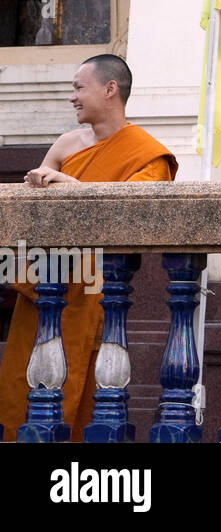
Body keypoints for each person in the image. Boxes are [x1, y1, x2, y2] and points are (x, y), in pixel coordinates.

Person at [0, 55, 176, 440]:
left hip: (97, 293)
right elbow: (31, 216)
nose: (72, 97)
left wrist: (68, 184)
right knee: (22, 388)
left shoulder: (145, 152)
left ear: (109, 89)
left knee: (87, 391)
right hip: (45, 287)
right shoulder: (66, 144)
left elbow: (135, 213)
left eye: (79, 88)